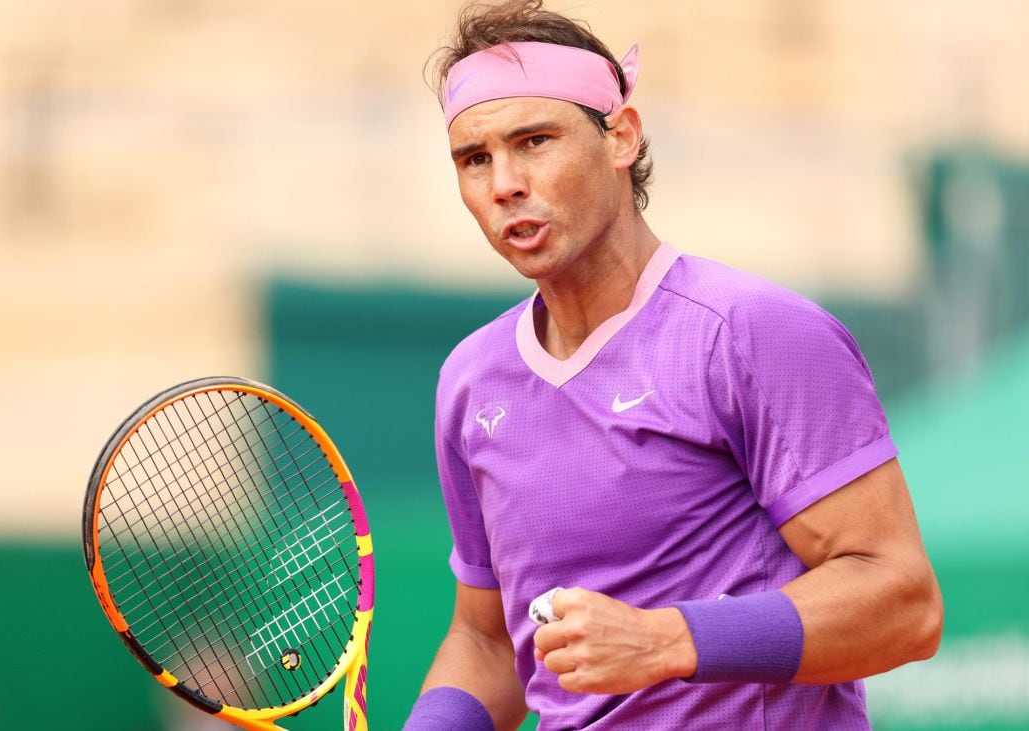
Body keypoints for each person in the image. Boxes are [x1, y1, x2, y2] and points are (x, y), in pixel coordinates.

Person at [403, 1, 943, 728]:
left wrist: (668, 640)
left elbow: (904, 602)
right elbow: (488, 638)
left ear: (620, 137)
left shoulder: (754, 333)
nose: (503, 183)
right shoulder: (471, 381)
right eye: (475, 159)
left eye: (534, 141)